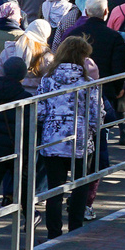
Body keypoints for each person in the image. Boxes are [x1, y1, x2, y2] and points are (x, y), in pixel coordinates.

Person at [34, 36, 104, 238]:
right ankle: (75, 228)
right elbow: (96, 115)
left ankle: (53, 233)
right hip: (80, 141)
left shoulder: (48, 80)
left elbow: (39, 112)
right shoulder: (88, 82)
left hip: (52, 140)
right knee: (80, 186)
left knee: (54, 190)